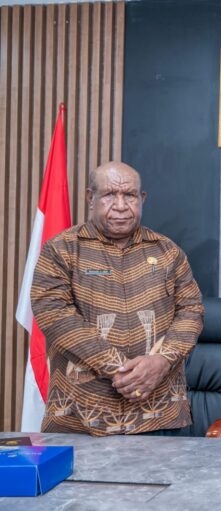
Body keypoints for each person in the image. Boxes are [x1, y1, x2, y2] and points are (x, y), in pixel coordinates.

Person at [31, 161, 204, 436]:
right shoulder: (61, 250)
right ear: (91, 198)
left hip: (159, 416)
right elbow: (54, 313)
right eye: (110, 194)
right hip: (82, 418)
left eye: (130, 195)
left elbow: (191, 311)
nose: (121, 205)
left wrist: (162, 361)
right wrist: (120, 369)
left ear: (142, 198)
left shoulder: (168, 252)